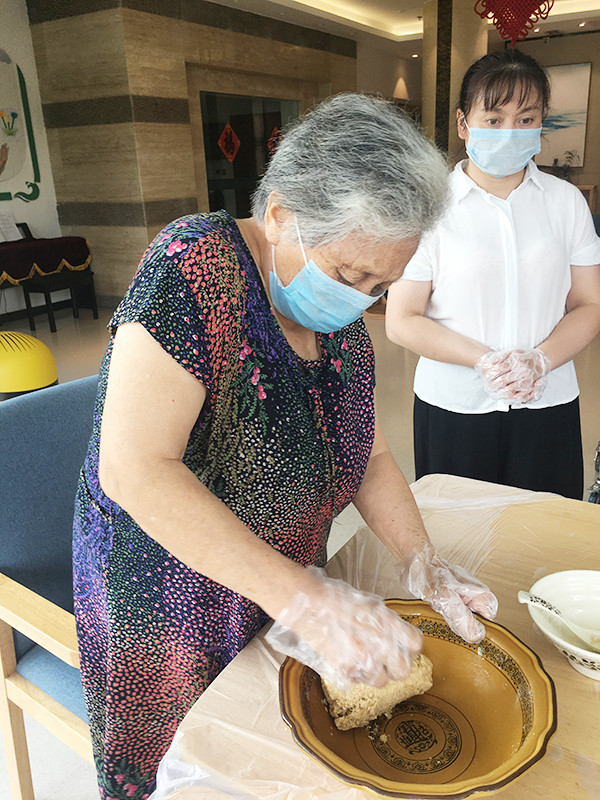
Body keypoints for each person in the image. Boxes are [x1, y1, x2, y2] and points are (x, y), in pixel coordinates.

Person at [73, 93, 498, 800]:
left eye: (381, 286)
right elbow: (135, 469)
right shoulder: (192, 270)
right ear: (279, 215)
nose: (361, 300)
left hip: (282, 591)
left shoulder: (336, 318)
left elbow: (371, 454)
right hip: (171, 606)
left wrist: (419, 559)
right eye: (348, 275)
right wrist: (304, 601)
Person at [386, 50, 600, 500]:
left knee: (543, 540)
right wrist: (484, 361)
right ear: (464, 125)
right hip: (454, 406)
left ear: (541, 127)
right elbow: (402, 318)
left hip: (547, 401)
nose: (510, 131)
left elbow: (589, 304)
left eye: (526, 119)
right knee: (458, 540)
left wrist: (539, 359)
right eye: (494, 117)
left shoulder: (566, 203)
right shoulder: (429, 205)